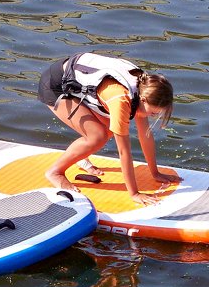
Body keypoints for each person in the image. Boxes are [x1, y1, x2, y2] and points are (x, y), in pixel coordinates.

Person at [37, 52, 178, 205]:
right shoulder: (121, 100)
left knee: (109, 129)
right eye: (152, 113)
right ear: (143, 99)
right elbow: (124, 152)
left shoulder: (145, 88)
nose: (151, 116)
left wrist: (155, 173)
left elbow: (145, 135)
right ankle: (55, 172)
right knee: (97, 136)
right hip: (55, 86)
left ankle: (81, 156)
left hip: (77, 80)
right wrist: (134, 193)